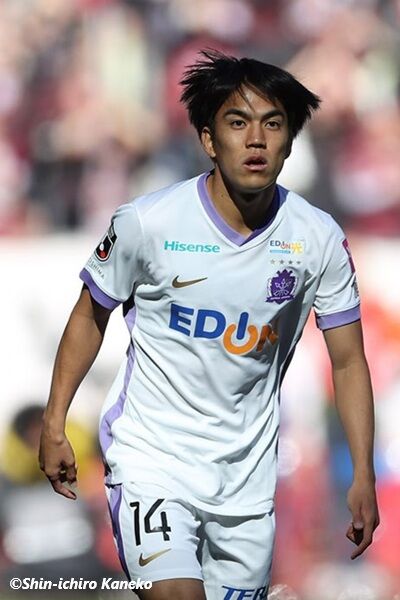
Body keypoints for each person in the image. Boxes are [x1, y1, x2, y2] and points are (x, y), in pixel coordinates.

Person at [39, 50, 379, 600]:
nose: (256, 140)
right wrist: (55, 421)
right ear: (208, 139)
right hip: (152, 462)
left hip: (247, 484)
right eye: (237, 123)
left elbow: (348, 360)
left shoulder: (317, 239)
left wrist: (362, 472)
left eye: (273, 125)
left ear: (291, 142)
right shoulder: (148, 223)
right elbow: (89, 314)